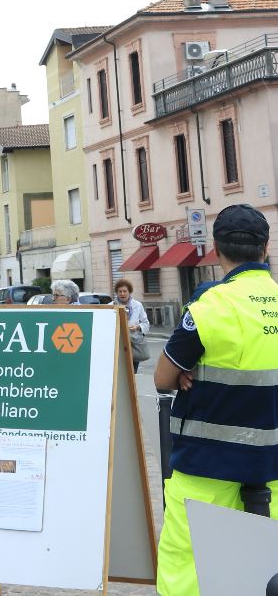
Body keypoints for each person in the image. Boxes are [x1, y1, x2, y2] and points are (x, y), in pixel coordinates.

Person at [154, 204, 278, 596]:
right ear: (265, 247)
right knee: (267, 570)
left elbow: (161, 378)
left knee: (190, 568)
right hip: (274, 465)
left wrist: (189, 372)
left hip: (207, 464)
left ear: (216, 249)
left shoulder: (210, 307)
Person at [114, 278, 151, 372]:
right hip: (117, 345)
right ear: (117, 292)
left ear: (129, 292)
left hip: (134, 346)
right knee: (119, 373)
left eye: (125, 291)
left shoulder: (137, 305)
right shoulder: (111, 305)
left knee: (132, 373)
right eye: (120, 291)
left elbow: (146, 323)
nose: (122, 293)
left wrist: (137, 327)